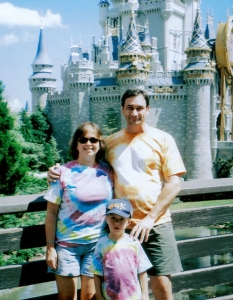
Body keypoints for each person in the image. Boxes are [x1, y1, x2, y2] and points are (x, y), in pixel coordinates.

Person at [48, 89, 186, 300]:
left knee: (161, 285)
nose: (134, 113)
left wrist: (149, 219)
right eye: (129, 107)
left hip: (155, 223)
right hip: (119, 227)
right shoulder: (110, 143)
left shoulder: (163, 139)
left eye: (139, 108)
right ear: (122, 109)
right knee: (120, 288)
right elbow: (87, 163)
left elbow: (174, 183)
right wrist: (55, 172)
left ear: (147, 110)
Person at [44, 122, 113, 300]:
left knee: (89, 296)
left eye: (93, 139)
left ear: (99, 143)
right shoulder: (62, 173)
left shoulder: (108, 171)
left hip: (96, 245)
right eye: (83, 139)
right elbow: (51, 213)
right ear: (76, 144)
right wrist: (50, 248)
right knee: (67, 297)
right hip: (67, 247)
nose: (88, 143)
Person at [91, 198, 152, 300]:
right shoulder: (101, 244)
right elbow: (96, 272)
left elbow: (142, 270)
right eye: (113, 218)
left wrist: (145, 294)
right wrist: (99, 294)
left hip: (133, 296)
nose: (117, 223)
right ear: (106, 219)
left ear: (128, 221)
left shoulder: (134, 243)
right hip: (110, 296)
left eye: (122, 219)